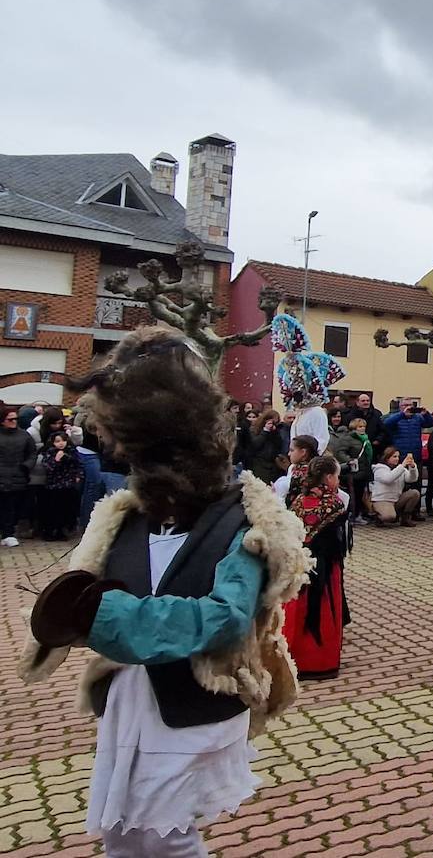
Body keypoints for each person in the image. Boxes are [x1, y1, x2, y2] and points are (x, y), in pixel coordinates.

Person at [17, 326, 310, 858]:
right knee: (122, 832)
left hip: (195, 698)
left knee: (164, 836)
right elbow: (85, 589)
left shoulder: (244, 523)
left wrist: (108, 617)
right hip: (133, 696)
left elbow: (226, 617)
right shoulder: (126, 518)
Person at [284, 455, 351, 679]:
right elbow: (337, 543)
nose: (338, 481)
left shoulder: (297, 500)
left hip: (298, 565)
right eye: (337, 477)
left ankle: (296, 659)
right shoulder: (335, 503)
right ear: (329, 477)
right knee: (321, 611)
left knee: (297, 612)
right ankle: (319, 662)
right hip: (325, 567)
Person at [0, 403, 37, 547]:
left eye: (15, 419)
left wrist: (26, 466)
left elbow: (32, 453)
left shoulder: (24, 435)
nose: (14, 422)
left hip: (17, 476)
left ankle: (8, 533)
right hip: (3, 474)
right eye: (10, 419)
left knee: (10, 507)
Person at [39, 429, 84, 541]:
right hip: (53, 486)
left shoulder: (72, 451)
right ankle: (50, 531)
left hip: (68, 485)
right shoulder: (49, 452)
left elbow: (78, 465)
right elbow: (48, 467)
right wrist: (56, 460)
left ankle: (62, 531)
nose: (61, 443)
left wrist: (78, 476)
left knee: (66, 510)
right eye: (58, 441)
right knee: (53, 510)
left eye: (63, 440)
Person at [371, 447, 421, 526]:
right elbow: (388, 479)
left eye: (398, 456)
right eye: (394, 457)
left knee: (414, 493)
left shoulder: (400, 469)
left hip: (396, 499)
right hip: (382, 500)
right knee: (389, 517)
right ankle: (378, 516)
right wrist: (403, 465)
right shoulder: (379, 469)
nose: (397, 459)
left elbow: (412, 479)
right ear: (387, 458)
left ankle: (405, 518)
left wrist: (413, 467)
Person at [384, 400, 433, 466]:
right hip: (399, 455)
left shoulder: (418, 417)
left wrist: (426, 414)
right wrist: (402, 414)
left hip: (416, 454)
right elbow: (386, 424)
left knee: (416, 474)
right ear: (400, 407)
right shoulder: (396, 417)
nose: (408, 407)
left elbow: (430, 424)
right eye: (405, 405)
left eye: (410, 405)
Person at [245, 409, 286, 485]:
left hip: (273, 465)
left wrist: (274, 432)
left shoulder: (276, 431)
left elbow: (278, 445)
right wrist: (265, 431)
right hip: (259, 464)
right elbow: (255, 445)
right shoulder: (254, 430)